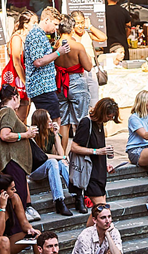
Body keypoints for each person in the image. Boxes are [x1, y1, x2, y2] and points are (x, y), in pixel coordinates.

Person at [0, 84, 40, 222]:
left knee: (17, 198)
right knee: (17, 199)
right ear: (15, 97)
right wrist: (26, 134)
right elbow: (4, 135)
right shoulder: (8, 112)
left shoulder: (3, 112)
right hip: (13, 161)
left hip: (13, 161)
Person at [70, 98, 120, 214]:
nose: (109, 119)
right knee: (103, 211)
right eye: (109, 116)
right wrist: (96, 152)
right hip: (89, 174)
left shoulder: (100, 124)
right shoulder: (86, 123)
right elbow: (74, 147)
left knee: (98, 214)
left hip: (99, 173)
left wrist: (106, 164)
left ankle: (89, 232)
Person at [25, 7, 70, 127]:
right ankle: (52, 146)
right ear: (46, 20)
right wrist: (58, 52)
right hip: (42, 87)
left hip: (44, 86)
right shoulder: (36, 35)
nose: (56, 28)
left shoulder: (39, 34)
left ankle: (50, 145)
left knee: (49, 123)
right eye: (55, 24)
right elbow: (38, 61)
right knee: (53, 123)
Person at [55, 15, 93, 154]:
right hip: (76, 81)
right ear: (71, 29)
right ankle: (81, 152)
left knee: (64, 122)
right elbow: (88, 66)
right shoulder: (77, 46)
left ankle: (62, 154)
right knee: (80, 121)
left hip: (61, 83)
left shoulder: (55, 46)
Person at [29, 109, 72, 216]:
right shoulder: (32, 136)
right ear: (41, 121)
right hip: (34, 170)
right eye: (47, 118)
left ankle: (76, 194)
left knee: (61, 163)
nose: (50, 121)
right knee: (53, 162)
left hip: (48, 167)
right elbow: (43, 157)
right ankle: (59, 200)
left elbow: (61, 154)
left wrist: (56, 134)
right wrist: (62, 157)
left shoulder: (49, 133)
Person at [2, 11, 37, 123]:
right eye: (34, 22)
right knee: (19, 115)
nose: (36, 25)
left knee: (25, 113)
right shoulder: (17, 38)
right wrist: (25, 81)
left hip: (26, 76)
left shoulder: (30, 36)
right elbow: (16, 62)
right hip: (18, 77)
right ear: (25, 24)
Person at [70, 11, 107, 108]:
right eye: (77, 23)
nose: (80, 26)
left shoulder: (87, 34)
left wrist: (90, 26)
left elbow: (103, 37)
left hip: (91, 70)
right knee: (81, 101)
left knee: (94, 100)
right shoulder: (71, 36)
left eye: (82, 22)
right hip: (78, 71)